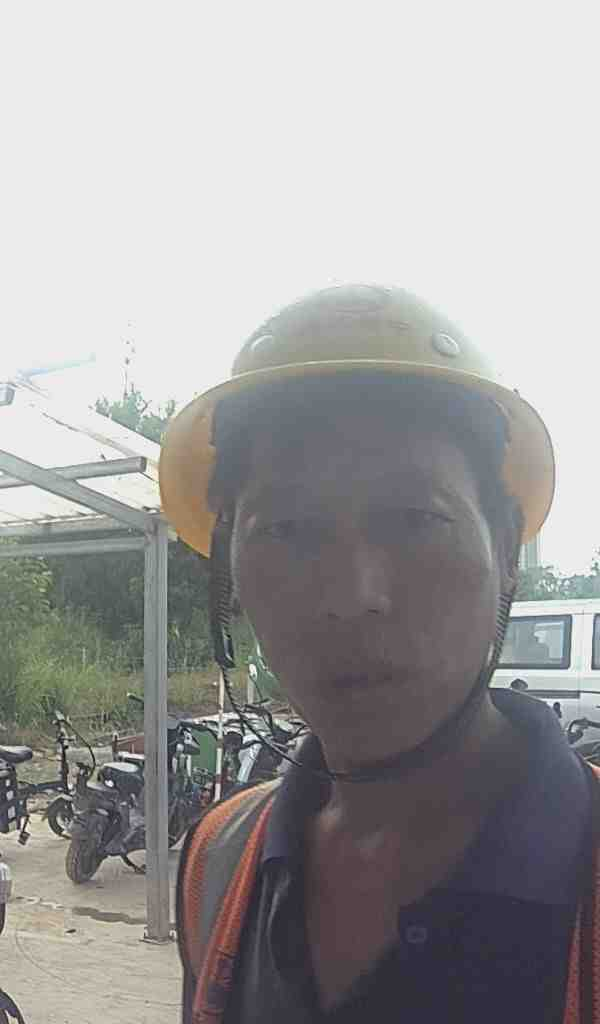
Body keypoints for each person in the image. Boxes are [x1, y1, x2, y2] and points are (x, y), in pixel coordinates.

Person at [160, 285, 598, 1023]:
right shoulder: (217, 859)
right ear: (229, 576)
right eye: (287, 530)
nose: (350, 596)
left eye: (415, 519)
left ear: (505, 554)